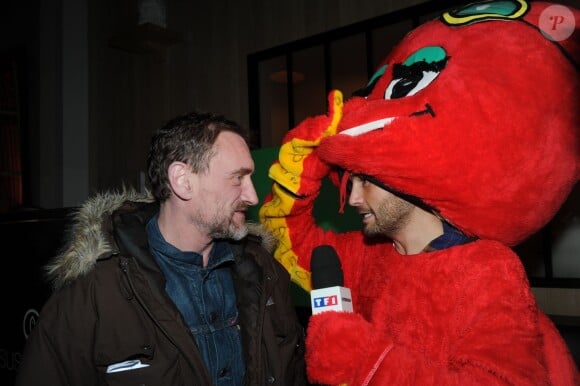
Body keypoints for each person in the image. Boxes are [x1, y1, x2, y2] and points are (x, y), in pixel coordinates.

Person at [259, 0, 579, 384]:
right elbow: (284, 237)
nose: (354, 199)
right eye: (350, 182)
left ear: (404, 179)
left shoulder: (486, 269)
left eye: (365, 181)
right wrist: (309, 161)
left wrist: (368, 364)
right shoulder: (367, 254)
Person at [15, 110, 307, 386]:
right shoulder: (95, 290)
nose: (253, 196)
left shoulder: (265, 272)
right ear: (182, 180)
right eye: (237, 177)